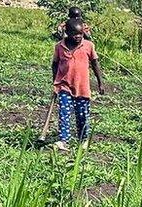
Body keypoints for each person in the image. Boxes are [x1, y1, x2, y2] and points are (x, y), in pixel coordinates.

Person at [50, 18, 104, 152]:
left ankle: (83, 139)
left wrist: (100, 82)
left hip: (82, 87)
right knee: (64, 113)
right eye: (75, 34)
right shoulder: (59, 47)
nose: (78, 36)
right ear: (67, 32)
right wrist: (55, 83)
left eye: (80, 33)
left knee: (82, 115)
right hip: (64, 86)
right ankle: (64, 140)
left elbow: (95, 64)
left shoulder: (88, 46)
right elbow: (55, 65)